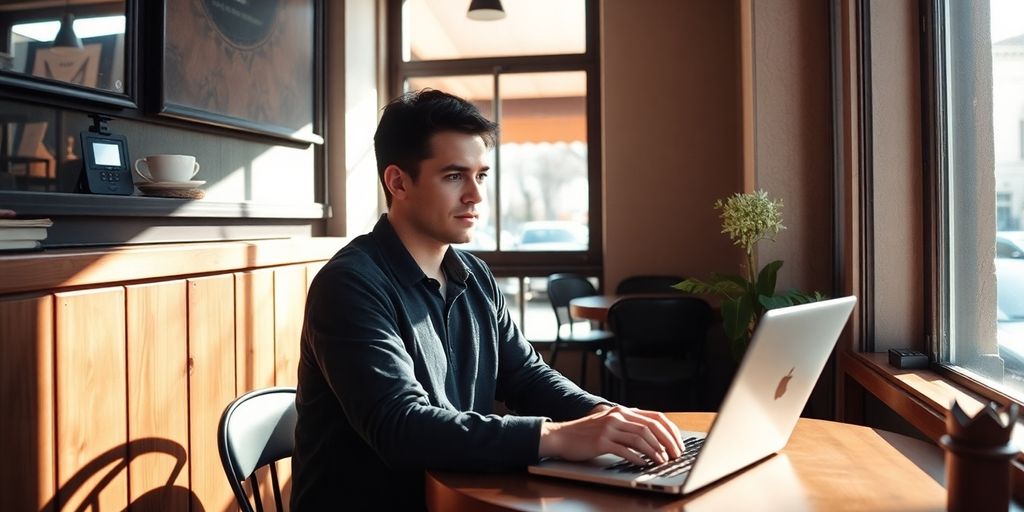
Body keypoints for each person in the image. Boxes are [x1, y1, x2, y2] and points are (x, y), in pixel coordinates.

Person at [291, 89, 683, 510]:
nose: (476, 197)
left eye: (481, 176)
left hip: (453, 498)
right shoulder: (349, 285)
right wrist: (557, 436)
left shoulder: (474, 276)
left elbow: (528, 378)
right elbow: (400, 427)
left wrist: (607, 417)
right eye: (454, 176)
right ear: (398, 181)